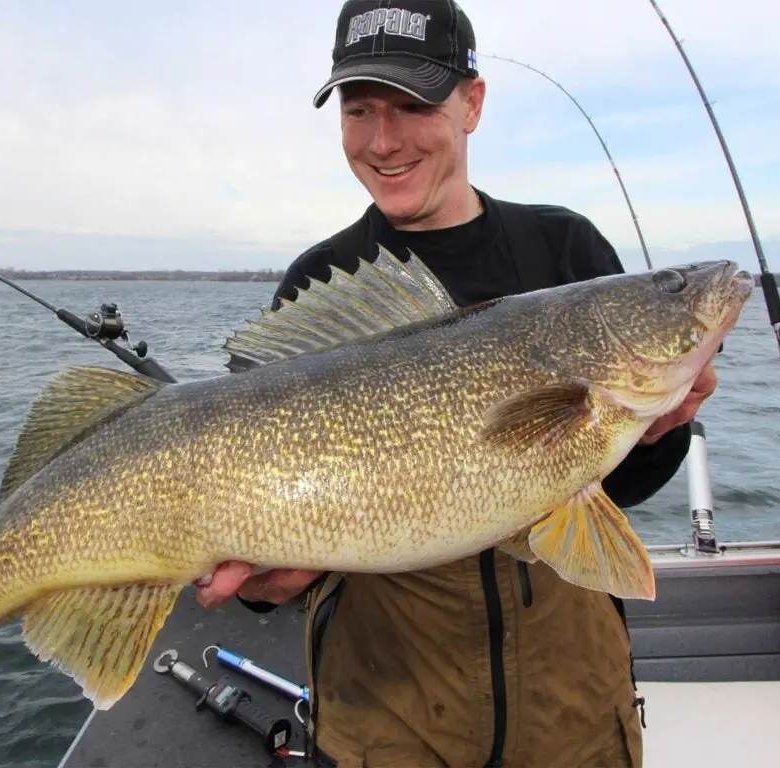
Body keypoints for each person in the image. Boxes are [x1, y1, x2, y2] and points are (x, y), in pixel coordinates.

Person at [197, 2, 716, 765]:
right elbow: (262, 537)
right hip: (389, 716)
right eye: (360, 108)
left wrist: (661, 426)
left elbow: (624, 487)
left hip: (569, 712)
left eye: (413, 105)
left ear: (472, 103)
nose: (384, 139)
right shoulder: (322, 281)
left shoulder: (564, 247)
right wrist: (259, 582)